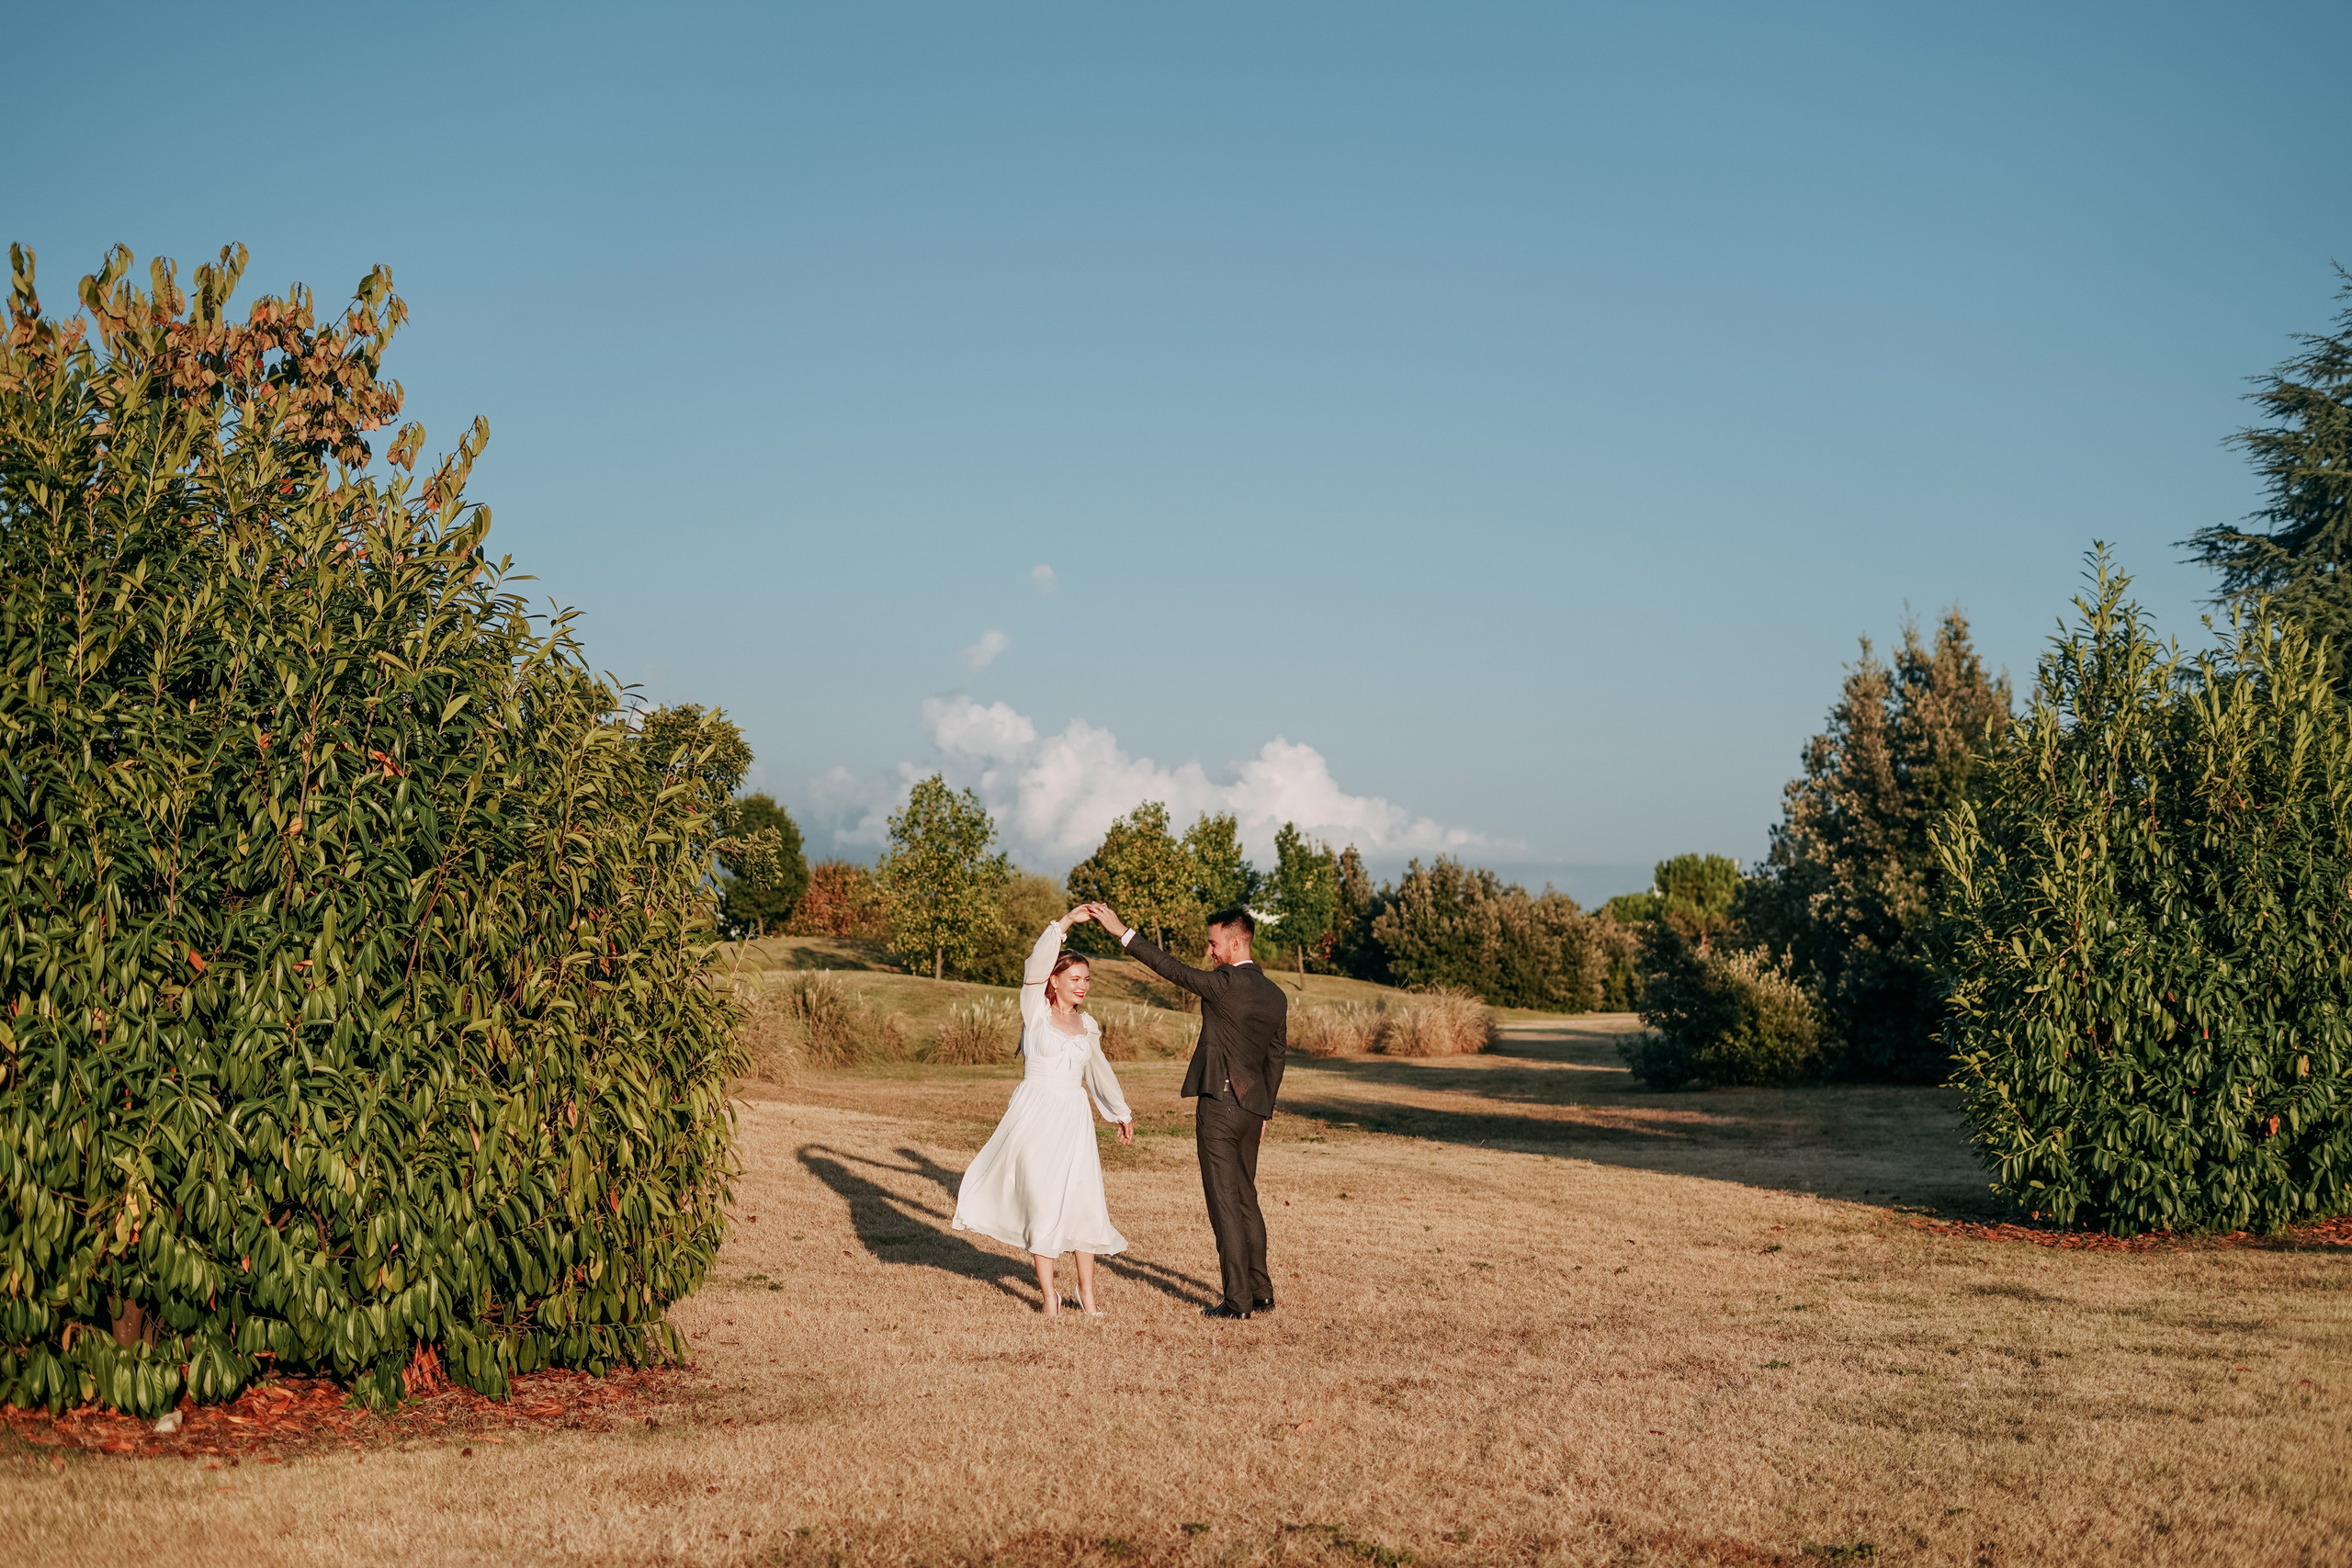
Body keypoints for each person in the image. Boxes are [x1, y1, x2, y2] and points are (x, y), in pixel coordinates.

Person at [1080, 900, 1285, 1320]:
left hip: (1222, 1106)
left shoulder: (1226, 982)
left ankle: (1238, 1300)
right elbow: (1276, 1057)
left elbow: (1170, 968)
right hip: (1252, 1110)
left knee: (1225, 1201)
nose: (1209, 952)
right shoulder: (1275, 994)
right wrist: (1264, 1110)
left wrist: (1122, 931)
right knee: (1246, 1198)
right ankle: (1261, 1292)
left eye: (1213, 944)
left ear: (1233, 941)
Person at [952, 908, 1136, 1317]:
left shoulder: (1088, 1025)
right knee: (1043, 1201)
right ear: (1053, 981)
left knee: (1084, 1200)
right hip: (1034, 1116)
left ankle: (1087, 1293)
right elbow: (1035, 963)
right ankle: (1049, 1295)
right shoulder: (1035, 1012)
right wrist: (1066, 922)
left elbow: (1099, 1071)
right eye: (1075, 978)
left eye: (1087, 979)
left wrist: (1120, 1112)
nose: (1083, 985)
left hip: (1074, 1118)